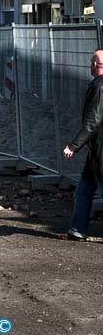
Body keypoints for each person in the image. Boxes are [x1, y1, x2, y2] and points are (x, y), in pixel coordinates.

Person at [63, 49, 103, 241]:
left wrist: (74, 145)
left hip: (100, 150)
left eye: (96, 62)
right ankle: (77, 229)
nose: (92, 65)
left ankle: (78, 229)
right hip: (95, 150)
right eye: (92, 61)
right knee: (85, 189)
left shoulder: (100, 87)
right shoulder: (97, 85)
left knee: (90, 188)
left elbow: (92, 121)